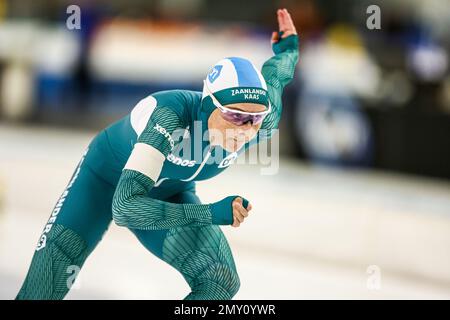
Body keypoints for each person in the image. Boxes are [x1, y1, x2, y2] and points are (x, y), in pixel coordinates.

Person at [16, 8, 299, 300]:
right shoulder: (169, 116)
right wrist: (209, 213)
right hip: (105, 182)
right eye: (235, 117)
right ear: (207, 105)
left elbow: (275, 76)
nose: (245, 130)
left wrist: (288, 49)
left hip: (168, 195)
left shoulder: (262, 121)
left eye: (254, 119)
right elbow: (125, 208)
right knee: (43, 290)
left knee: (218, 281)